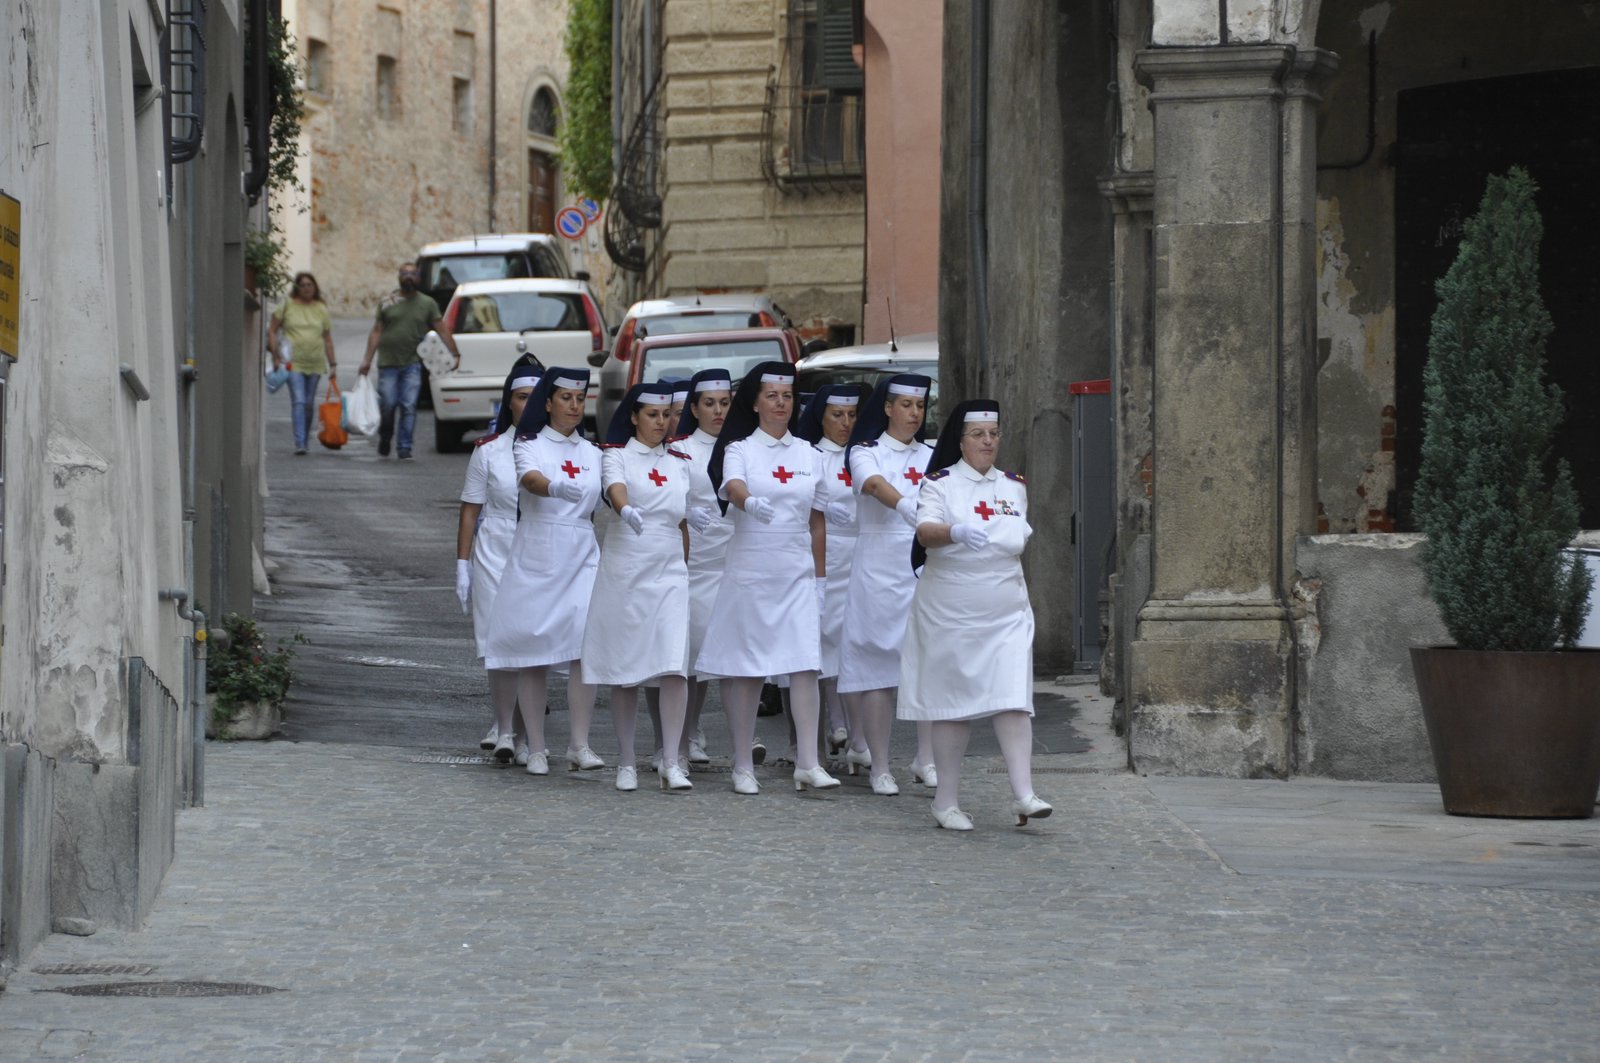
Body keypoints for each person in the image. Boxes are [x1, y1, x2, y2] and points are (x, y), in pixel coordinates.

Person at [898, 399, 1052, 831]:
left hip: (1004, 609)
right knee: (952, 705)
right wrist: (954, 532)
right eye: (978, 435)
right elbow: (925, 532)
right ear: (961, 441)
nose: (987, 442)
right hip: (951, 610)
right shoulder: (940, 484)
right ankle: (945, 801)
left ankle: (1024, 793)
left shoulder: (1013, 486)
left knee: (1013, 698)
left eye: (993, 434)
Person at [696, 361, 838, 796]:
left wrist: (819, 580)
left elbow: (818, 522)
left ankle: (808, 762)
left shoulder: (810, 455)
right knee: (747, 668)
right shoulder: (740, 448)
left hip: (794, 569)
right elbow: (733, 484)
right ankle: (742, 763)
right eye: (772, 395)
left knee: (805, 665)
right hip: (751, 568)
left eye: (788, 396)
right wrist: (749, 502)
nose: (781, 403)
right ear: (755, 402)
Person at [483, 366, 605, 776]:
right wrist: (554, 487)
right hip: (537, 548)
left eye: (579, 399)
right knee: (533, 652)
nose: (573, 406)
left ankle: (579, 743)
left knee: (583, 649)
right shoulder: (529, 443)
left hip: (581, 551)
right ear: (548, 402)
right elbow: (531, 479)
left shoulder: (594, 454)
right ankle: (535, 747)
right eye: (565, 398)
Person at [582, 382, 695, 793]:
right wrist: (625, 507)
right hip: (627, 565)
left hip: (668, 569)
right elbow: (615, 488)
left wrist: (692, 527)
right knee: (626, 668)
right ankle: (626, 761)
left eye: (666, 415)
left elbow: (684, 515)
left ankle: (670, 759)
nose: (661, 423)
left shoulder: (680, 459)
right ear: (634, 415)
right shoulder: (616, 456)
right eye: (652, 415)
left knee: (673, 665)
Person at [837, 374, 937, 796]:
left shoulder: (934, 454)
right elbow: (873, 485)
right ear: (888, 408)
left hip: (924, 566)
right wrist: (905, 504)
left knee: (928, 663)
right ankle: (879, 765)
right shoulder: (865, 451)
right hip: (879, 563)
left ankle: (926, 757)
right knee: (878, 669)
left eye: (920, 406)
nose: (914, 414)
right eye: (906, 406)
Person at [456, 357, 542, 764]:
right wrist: (462, 564)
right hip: (496, 545)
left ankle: (525, 733)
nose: (530, 404)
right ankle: (505, 727)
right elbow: (471, 510)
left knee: (529, 641)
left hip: (540, 547)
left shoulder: (558, 449)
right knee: (498, 641)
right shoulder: (488, 452)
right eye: (522, 397)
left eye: (536, 396)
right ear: (509, 402)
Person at [793, 383, 868, 765]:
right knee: (825, 642)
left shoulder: (863, 456)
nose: (845, 422)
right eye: (837, 415)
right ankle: (833, 724)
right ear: (821, 416)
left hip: (860, 554)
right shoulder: (811, 456)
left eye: (852, 415)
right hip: (825, 552)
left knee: (854, 641)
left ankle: (857, 735)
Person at [357, 261, 460, 460]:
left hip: (412, 363)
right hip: (387, 363)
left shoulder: (427, 304)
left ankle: (404, 447)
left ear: (419, 279)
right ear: (399, 277)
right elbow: (376, 331)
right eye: (405, 273)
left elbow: (441, 328)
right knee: (388, 404)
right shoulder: (388, 301)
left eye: (413, 274)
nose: (408, 277)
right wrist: (366, 360)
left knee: (409, 405)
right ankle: (385, 437)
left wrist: (454, 353)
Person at [266, 272, 337, 455]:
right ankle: (300, 443)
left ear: (315, 288)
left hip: (315, 362)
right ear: (297, 288)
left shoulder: (320, 308)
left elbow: (327, 338)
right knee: (298, 400)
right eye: (303, 285)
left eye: (310, 285)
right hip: (292, 362)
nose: (307, 288)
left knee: (308, 403)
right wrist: (275, 355)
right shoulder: (287, 305)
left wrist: (333, 363)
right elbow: (272, 330)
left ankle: (304, 437)